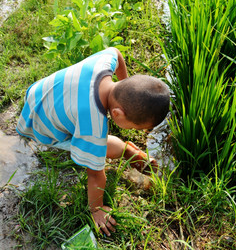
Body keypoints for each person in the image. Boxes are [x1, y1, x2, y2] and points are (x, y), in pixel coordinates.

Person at [16, 47, 170, 236]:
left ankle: (128, 151)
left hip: (38, 92)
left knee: (95, 141)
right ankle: (125, 151)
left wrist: (124, 83)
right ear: (117, 114)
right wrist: (96, 209)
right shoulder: (92, 123)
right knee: (97, 146)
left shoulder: (104, 63)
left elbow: (116, 53)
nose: (133, 130)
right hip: (40, 123)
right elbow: (95, 175)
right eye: (133, 128)